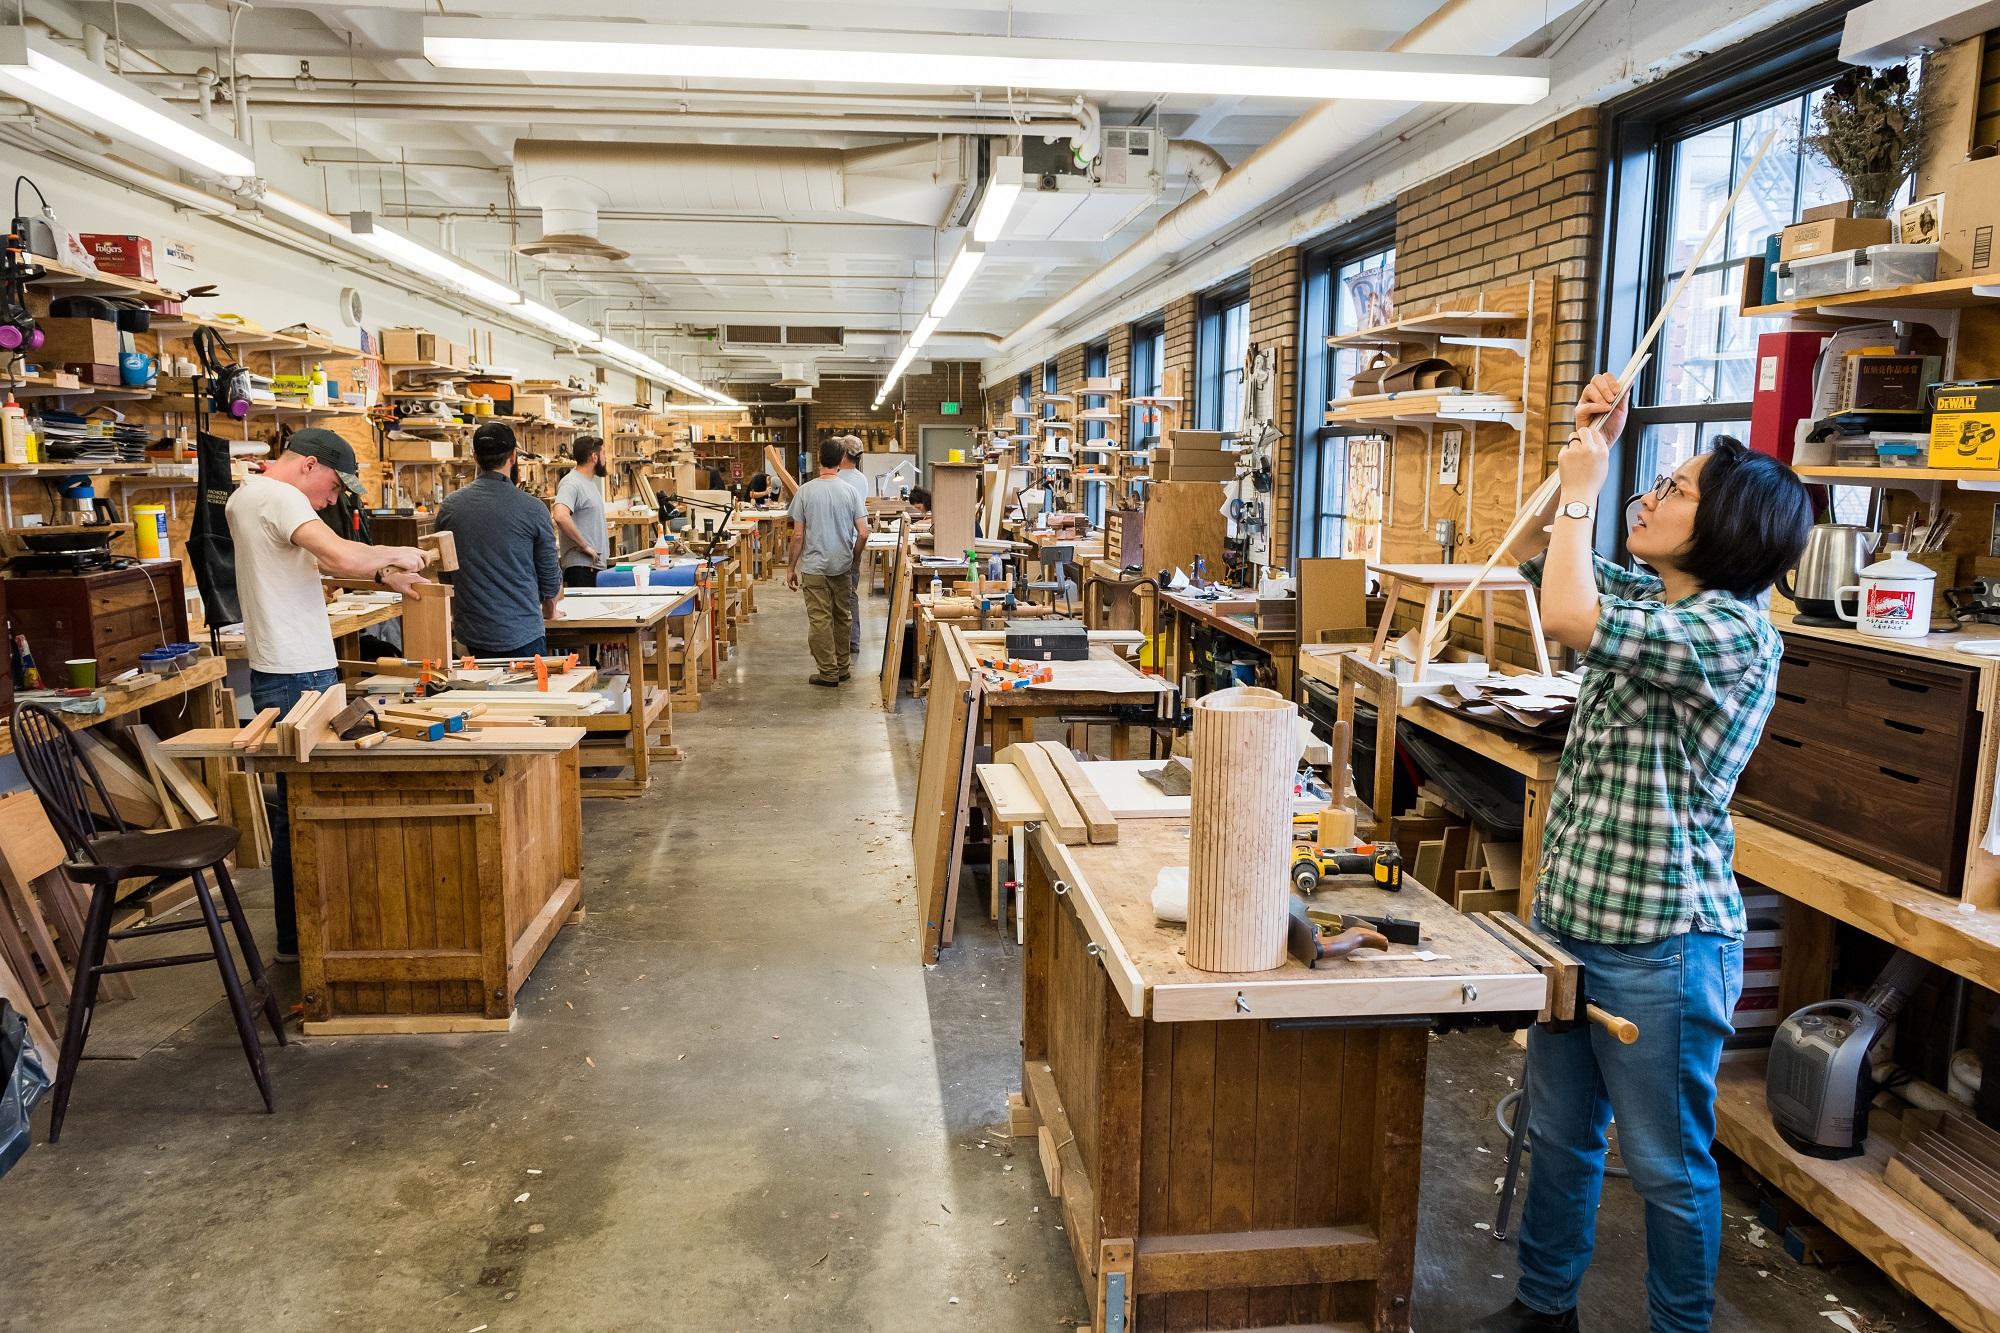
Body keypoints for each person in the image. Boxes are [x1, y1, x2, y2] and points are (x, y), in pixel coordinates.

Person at [1473, 374, 1813, 1333]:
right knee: (1561, 1137)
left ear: (1732, 530)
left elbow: (1576, 619)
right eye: (1653, 481)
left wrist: (1590, 488)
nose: (1651, 498)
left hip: (1664, 944)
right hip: (1577, 926)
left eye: (1675, 489)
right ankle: (1545, 1310)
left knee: (1668, 1168)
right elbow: (1550, 557)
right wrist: (1589, 444)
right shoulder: (1657, 596)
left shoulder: (1731, 633)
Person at [225, 429, 432, 959]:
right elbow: (339, 555)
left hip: (284, 668)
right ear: (309, 464)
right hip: (299, 675)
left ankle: (303, 938)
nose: (334, 499)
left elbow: (316, 563)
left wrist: (384, 574)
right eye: (335, 487)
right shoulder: (280, 495)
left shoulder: (248, 496)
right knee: (312, 810)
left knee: (298, 808)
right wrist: (398, 552)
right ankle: (313, 941)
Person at [436, 422, 562, 659]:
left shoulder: (450, 507)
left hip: (470, 637)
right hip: (522, 633)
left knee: (479, 697)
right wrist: (550, 610)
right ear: (513, 456)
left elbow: (445, 575)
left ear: (475, 457)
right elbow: (550, 578)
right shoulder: (533, 508)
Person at [785, 438, 869, 686]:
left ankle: (828, 672)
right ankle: (843, 668)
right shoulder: (851, 491)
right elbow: (863, 532)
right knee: (842, 616)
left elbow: (798, 535)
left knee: (820, 620)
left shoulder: (805, 491)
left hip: (814, 568)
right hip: (841, 564)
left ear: (819, 458)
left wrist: (790, 567)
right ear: (841, 460)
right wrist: (854, 558)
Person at [553, 434, 609, 588]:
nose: (606, 458)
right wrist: (585, 546)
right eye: (603, 453)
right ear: (594, 457)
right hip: (582, 568)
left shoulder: (588, 482)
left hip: (592, 567)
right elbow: (560, 516)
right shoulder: (572, 483)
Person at [836, 436, 872, 656]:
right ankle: (853, 642)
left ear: (842, 454)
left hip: (838, 543)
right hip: (854, 543)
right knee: (850, 595)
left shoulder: (838, 480)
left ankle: (840, 643)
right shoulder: (862, 479)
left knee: (836, 597)